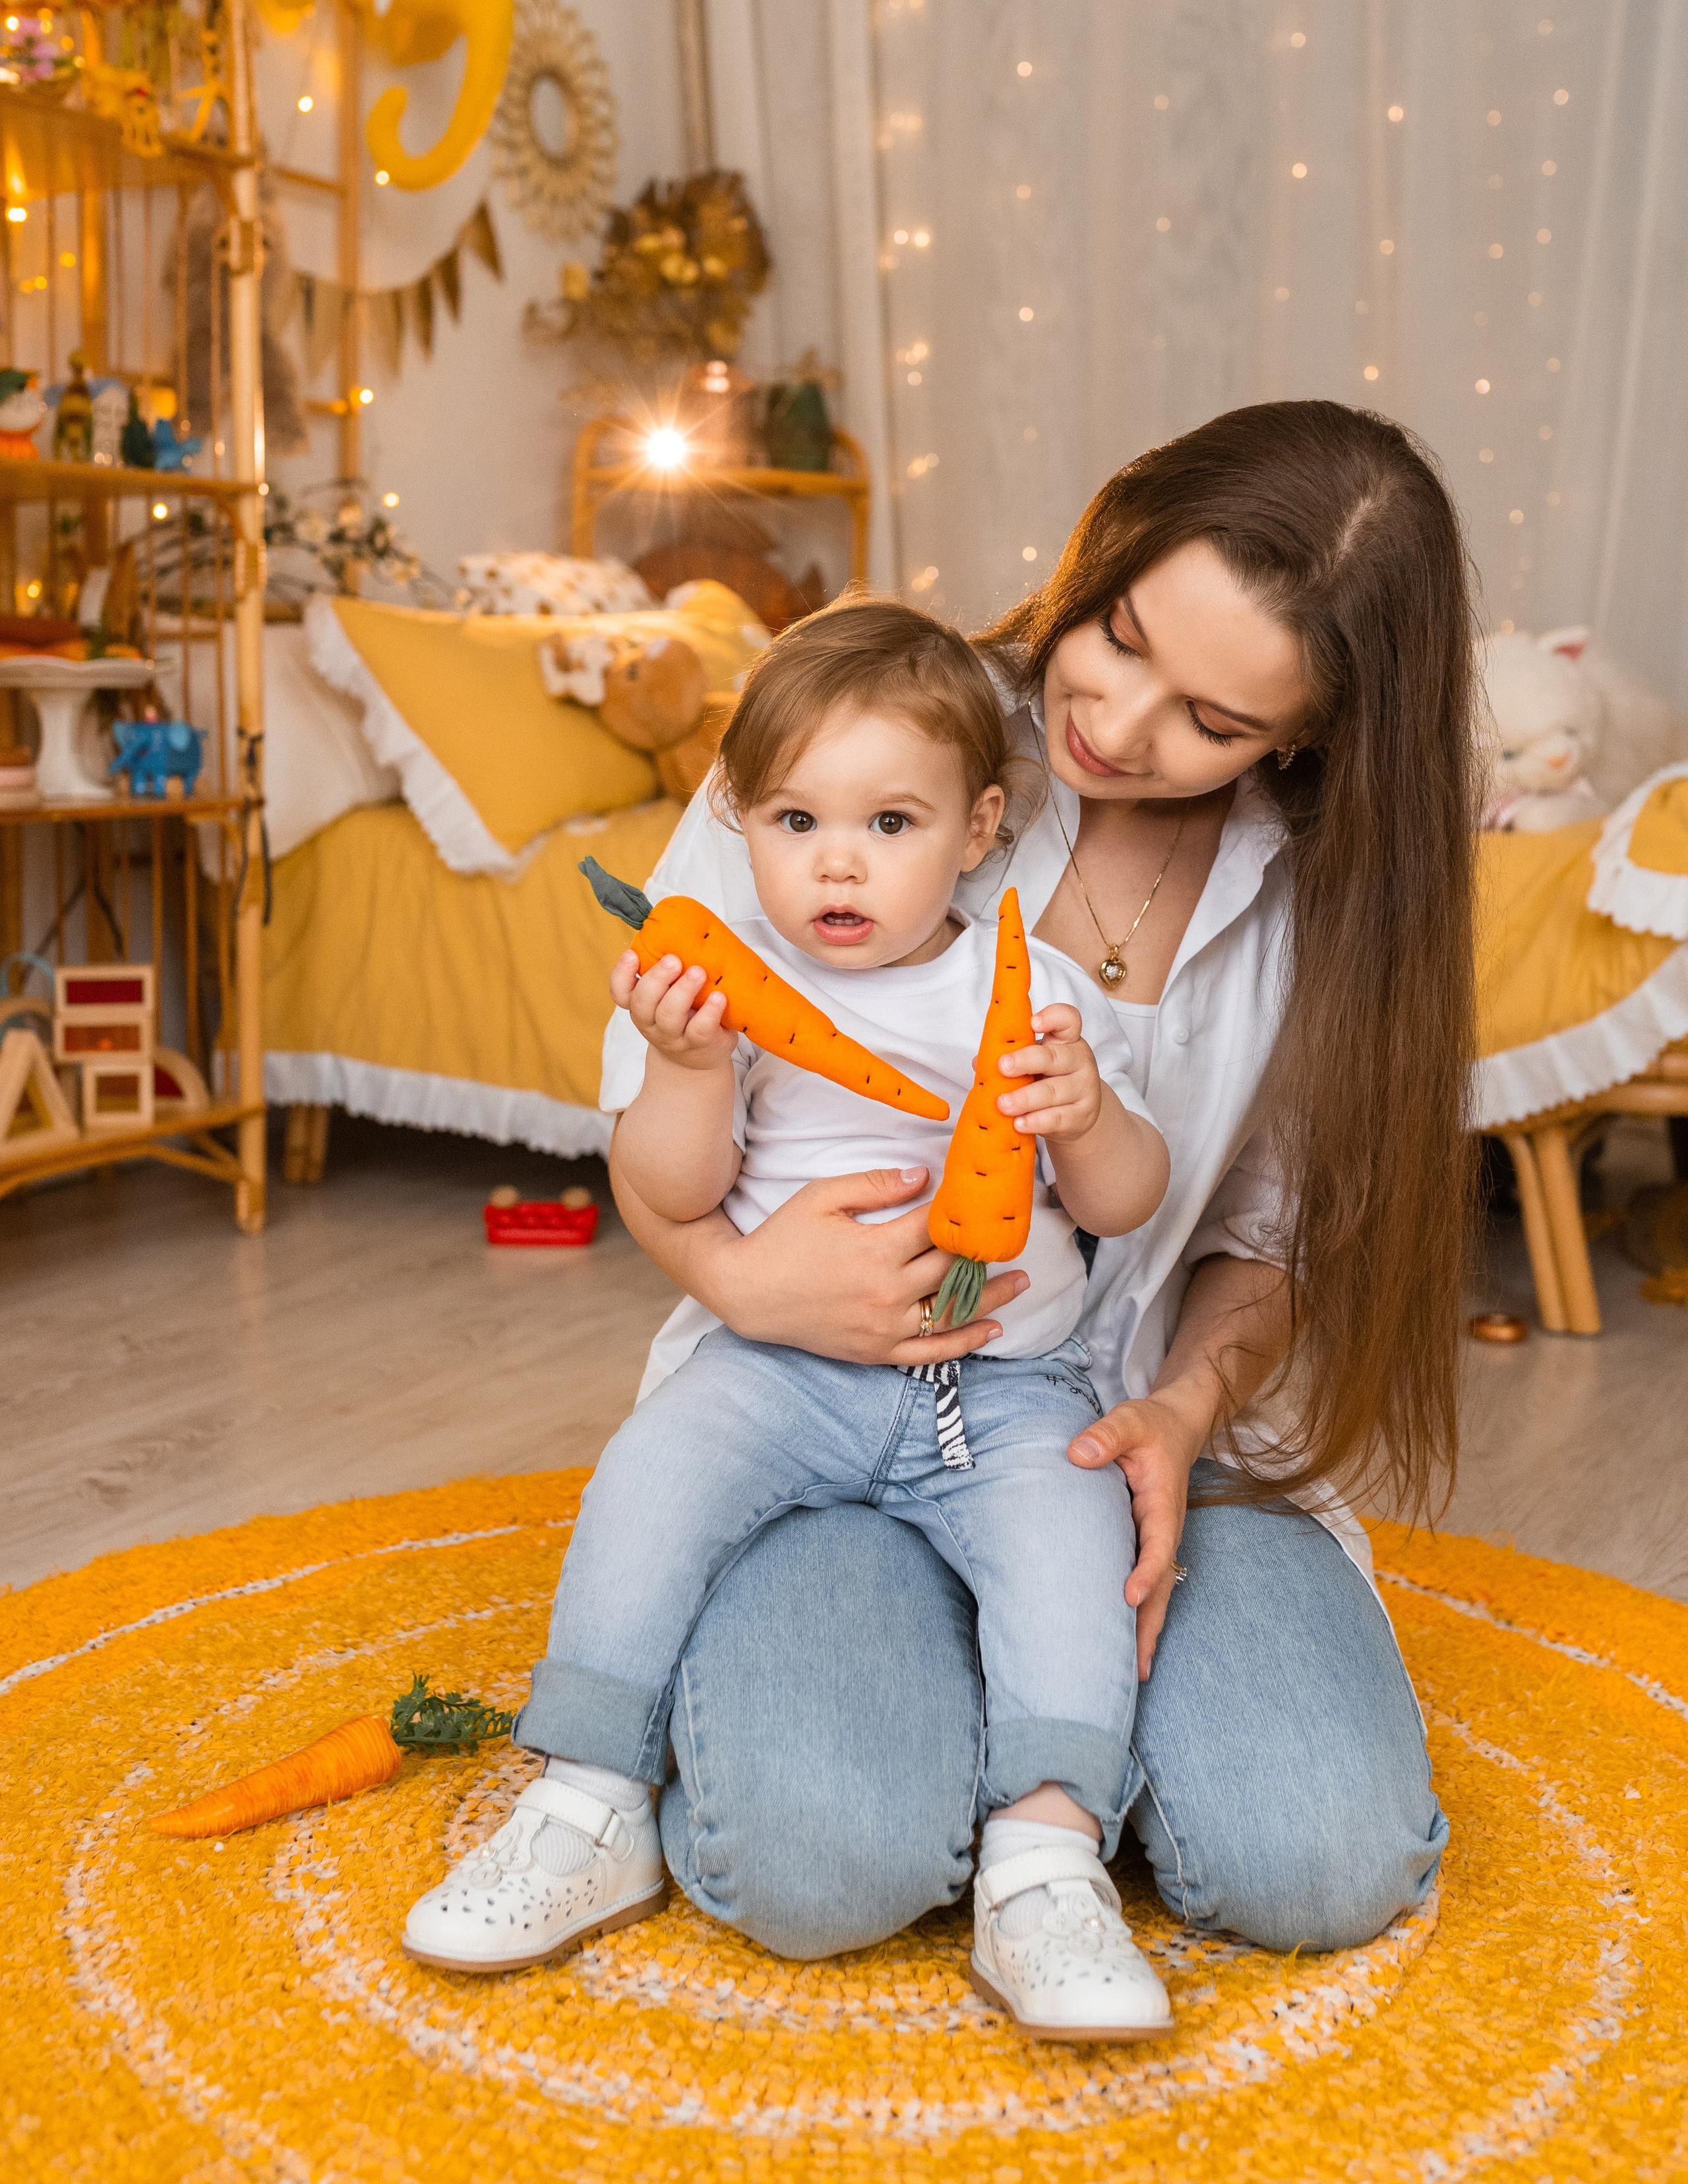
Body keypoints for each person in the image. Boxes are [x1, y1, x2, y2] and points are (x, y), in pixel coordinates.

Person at [588, 401, 1474, 1967]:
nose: (1119, 726)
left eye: (1208, 717)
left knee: (1321, 1861)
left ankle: (1050, 1764)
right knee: (812, 1865)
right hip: (824, 1400)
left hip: (1136, 1440)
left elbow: (1268, 1245)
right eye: (1118, 634)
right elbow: (650, 1123)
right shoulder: (861, 720)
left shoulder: (1324, 892)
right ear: (1104, 544)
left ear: (1304, 738)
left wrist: (1184, 1409)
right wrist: (738, 1282)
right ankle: (987, 1717)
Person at [404, 601, 1177, 2041]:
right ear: (736, 821)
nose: (834, 859)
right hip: (776, 1364)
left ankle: (1044, 1863)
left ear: (976, 826)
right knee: (650, 1477)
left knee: (1070, 1560)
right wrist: (687, 1066)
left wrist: (1087, 1115)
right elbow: (667, 1186)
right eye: (792, 817)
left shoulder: (1035, 988)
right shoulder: (722, 987)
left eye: (888, 821)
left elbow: (1127, 1198)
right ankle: (587, 1797)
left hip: (1004, 1386)